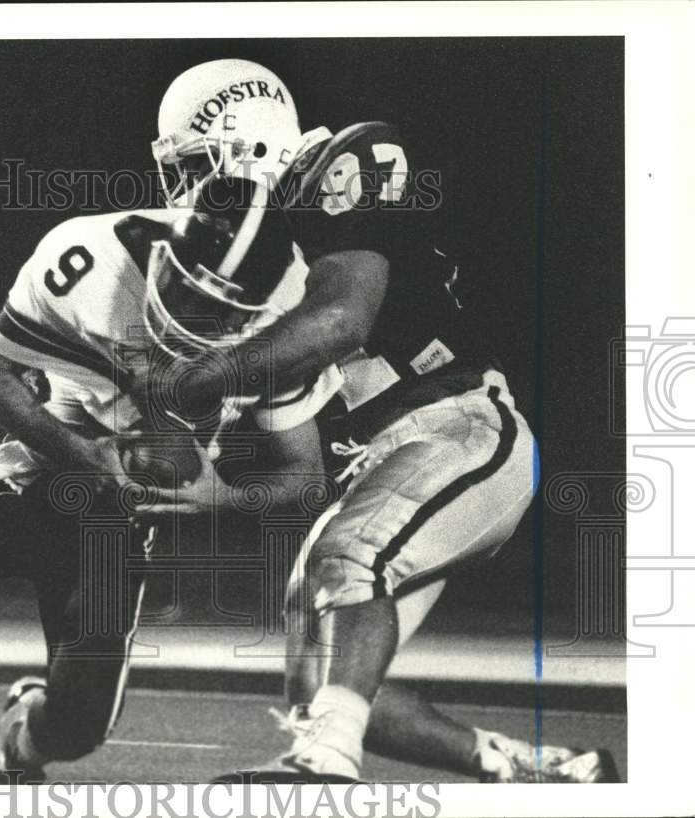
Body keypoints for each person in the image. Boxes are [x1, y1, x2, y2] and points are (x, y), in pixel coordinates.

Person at [136, 58, 616, 783]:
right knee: (322, 686)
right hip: (384, 457)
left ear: (250, 142)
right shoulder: (257, 262)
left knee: (350, 562)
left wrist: (200, 380)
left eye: (198, 166)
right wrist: (219, 492)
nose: (188, 193)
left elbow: (340, 317)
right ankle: (548, 773)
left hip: (457, 428)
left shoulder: (342, 161)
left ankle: (325, 767)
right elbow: (301, 474)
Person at [0, 176, 339, 784]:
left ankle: (17, 733)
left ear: (265, 306)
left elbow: (305, 473)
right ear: (162, 246)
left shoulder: (289, 328)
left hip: (109, 519)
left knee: (77, 728)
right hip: (25, 467)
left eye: (222, 310)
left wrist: (220, 496)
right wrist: (83, 456)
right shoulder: (91, 257)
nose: (194, 317)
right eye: (187, 290)